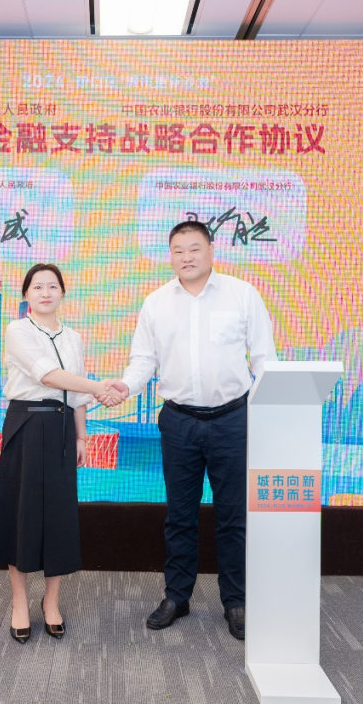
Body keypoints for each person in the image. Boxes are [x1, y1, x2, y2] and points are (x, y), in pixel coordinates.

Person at [108, 221, 278, 640]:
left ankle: (235, 601)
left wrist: (270, 412)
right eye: (178, 250)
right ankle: (177, 595)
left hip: (232, 420)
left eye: (194, 248)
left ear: (211, 250)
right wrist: (125, 386)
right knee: (180, 515)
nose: (187, 256)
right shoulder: (156, 303)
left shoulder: (242, 295)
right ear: (171, 256)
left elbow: (264, 359)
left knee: (233, 516)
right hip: (179, 420)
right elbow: (144, 361)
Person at [0, 263, 123, 644]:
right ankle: (19, 601)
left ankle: (51, 602)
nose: (45, 292)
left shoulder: (73, 338)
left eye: (52, 286)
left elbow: (75, 394)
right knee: (21, 512)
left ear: (63, 292)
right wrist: (99, 386)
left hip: (63, 428)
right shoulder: (17, 330)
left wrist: (82, 437)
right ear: (26, 295)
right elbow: (47, 375)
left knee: (59, 516)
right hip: (27, 424)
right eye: (37, 287)